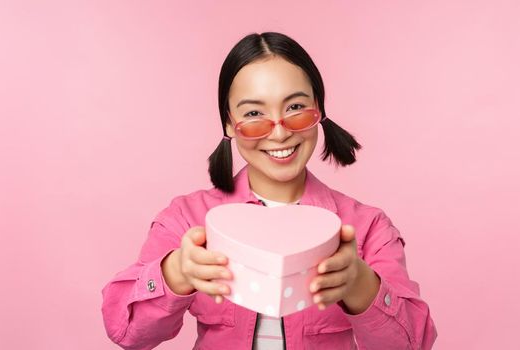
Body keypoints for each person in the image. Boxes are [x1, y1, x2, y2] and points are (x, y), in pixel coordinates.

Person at [100, 32, 437, 349]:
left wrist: (359, 283)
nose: (278, 133)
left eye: (294, 108)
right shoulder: (188, 220)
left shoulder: (366, 227)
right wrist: (177, 272)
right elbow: (125, 331)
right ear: (229, 123)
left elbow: (413, 343)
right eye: (254, 113)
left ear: (319, 109)